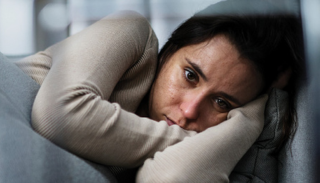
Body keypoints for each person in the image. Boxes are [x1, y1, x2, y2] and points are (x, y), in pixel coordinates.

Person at [15, 1, 303, 182]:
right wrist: (189, 139)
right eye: (190, 75)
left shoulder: (185, 155)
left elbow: (169, 178)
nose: (189, 111)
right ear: (168, 53)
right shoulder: (130, 31)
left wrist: (249, 121)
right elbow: (59, 117)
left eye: (221, 103)